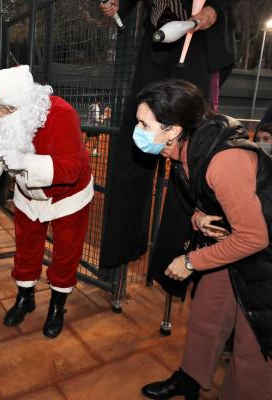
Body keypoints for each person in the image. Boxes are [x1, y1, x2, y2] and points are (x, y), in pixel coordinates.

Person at [133, 79, 272, 400]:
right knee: (206, 315)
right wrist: (199, 218)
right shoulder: (184, 149)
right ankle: (190, 380)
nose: (138, 131)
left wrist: (189, 261)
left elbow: (254, 238)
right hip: (235, 240)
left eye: (144, 124)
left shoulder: (224, 160)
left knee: (256, 349)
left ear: (172, 129)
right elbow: (206, 202)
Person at [98, 0, 236, 280]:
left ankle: (177, 259)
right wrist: (116, 4)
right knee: (136, 141)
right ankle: (122, 246)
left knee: (191, 149)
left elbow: (220, 7)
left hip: (195, 42)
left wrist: (209, 15)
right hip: (157, 42)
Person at [0, 65, 93, 338]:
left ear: (24, 103)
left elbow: (71, 169)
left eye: (6, 109)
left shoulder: (61, 113)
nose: (0, 116)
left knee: (65, 253)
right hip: (28, 195)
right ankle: (25, 298)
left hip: (69, 196)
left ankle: (56, 306)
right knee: (26, 249)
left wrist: (27, 162)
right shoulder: (4, 117)